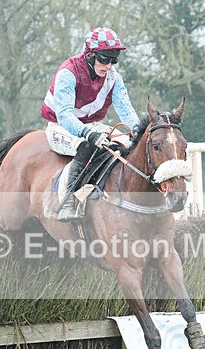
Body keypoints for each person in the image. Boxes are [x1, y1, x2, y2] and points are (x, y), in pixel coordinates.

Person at [41, 26, 140, 221]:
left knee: (124, 145)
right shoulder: (68, 73)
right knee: (87, 146)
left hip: (92, 124)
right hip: (60, 125)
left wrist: (138, 131)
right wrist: (88, 134)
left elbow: (126, 111)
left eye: (113, 60)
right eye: (104, 59)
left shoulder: (113, 78)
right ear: (90, 55)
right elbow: (65, 116)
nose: (109, 65)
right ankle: (66, 201)